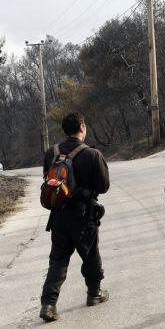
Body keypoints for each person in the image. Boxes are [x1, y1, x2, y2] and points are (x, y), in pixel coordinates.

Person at [39, 112, 110, 322]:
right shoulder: (92, 154)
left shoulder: (50, 153)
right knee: (90, 255)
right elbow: (104, 187)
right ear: (82, 127)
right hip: (84, 216)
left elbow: (48, 181)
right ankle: (94, 293)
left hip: (58, 215)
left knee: (58, 260)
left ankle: (48, 304)